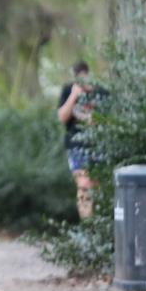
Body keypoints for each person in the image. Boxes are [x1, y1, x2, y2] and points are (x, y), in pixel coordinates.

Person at [57, 60, 96, 219]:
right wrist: (74, 95)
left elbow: (103, 120)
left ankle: (98, 226)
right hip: (76, 146)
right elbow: (62, 117)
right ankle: (87, 225)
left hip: (97, 145)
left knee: (96, 187)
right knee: (84, 184)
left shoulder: (98, 92)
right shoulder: (68, 90)